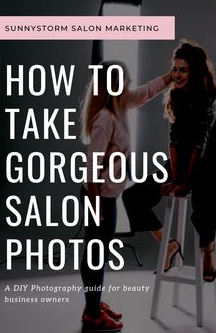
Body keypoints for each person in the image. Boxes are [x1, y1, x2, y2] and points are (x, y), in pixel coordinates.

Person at [79, 60, 171, 333]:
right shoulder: (106, 118)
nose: (130, 86)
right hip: (98, 197)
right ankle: (92, 315)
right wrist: (97, 206)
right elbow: (92, 167)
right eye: (125, 81)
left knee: (98, 252)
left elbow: (144, 93)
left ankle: (92, 304)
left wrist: (168, 77)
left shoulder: (119, 105)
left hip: (104, 196)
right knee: (95, 254)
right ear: (113, 85)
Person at [122, 39, 216, 282]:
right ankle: (169, 245)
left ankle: (208, 249)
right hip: (178, 163)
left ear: (195, 71)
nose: (176, 74)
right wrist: (174, 177)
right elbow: (173, 142)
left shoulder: (209, 98)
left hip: (204, 164)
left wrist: (184, 182)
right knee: (133, 197)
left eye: (182, 69)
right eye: (174, 69)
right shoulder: (176, 96)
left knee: (204, 205)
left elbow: (200, 144)